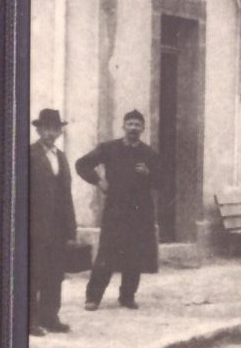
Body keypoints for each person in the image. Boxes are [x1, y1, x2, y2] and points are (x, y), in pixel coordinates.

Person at [75, 109, 161, 310]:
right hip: (116, 209)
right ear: (123, 127)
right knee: (106, 253)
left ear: (143, 129)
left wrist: (148, 173)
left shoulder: (149, 153)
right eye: (129, 124)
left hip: (140, 212)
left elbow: (162, 181)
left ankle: (127, 296)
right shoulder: (108, 148)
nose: (133, 128)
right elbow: (82, 164)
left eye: (137, 125)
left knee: (135, 254)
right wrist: (98, 181)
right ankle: (93, 298)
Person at [28, 107, 78, 335]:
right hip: (36, 224)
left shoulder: (61, 157)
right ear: (39, 130)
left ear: (60, 132)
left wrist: (71, 228)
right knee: (34, 272)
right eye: (46, 128)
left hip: (57, 226)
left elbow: (66, 194)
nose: (50, 133)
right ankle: (29, 320)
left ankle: (50, 317)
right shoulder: (29, 155)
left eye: (55, 129)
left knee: (55, 273)